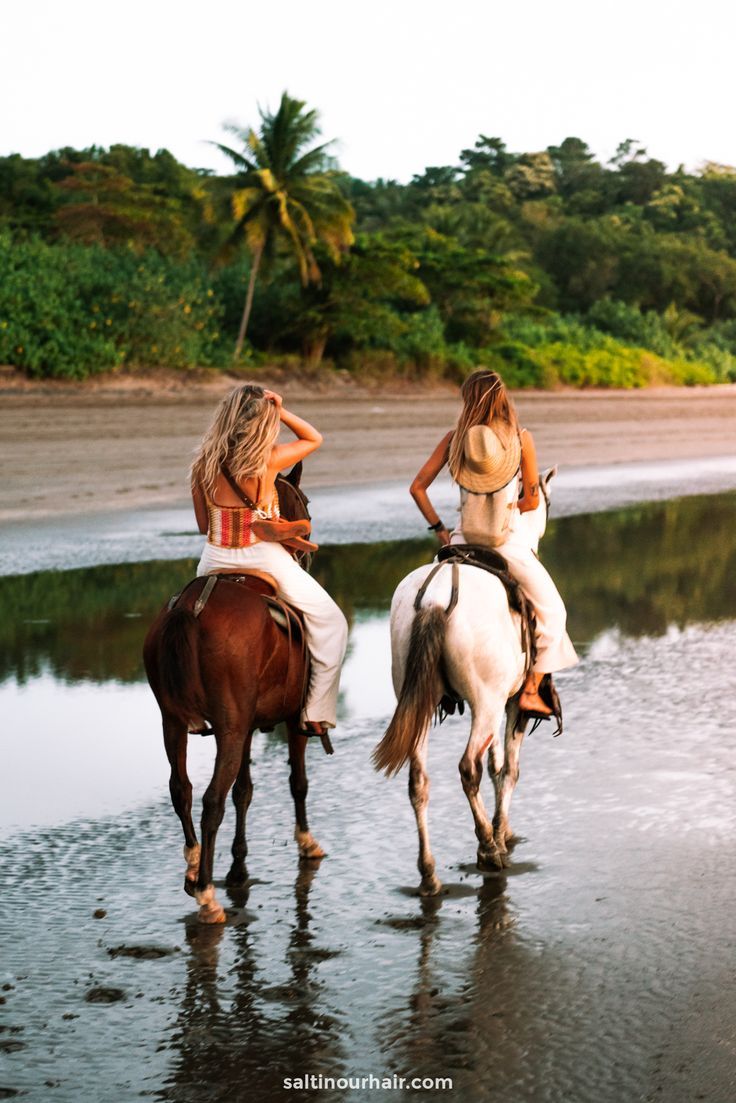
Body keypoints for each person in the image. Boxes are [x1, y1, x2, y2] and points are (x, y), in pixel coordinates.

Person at [409, 368, 578, 716]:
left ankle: (439, 683)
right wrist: (509, 504)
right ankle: (531, 690)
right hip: (507, 543)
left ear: (468, 399)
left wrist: (440, 528)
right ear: (502, 398)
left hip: (460, 542)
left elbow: (417, 488)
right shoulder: (520, 439)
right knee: (554, 613)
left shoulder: (455, 440)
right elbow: (532, 502)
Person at [190, 384, 348, 736]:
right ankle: (315, 712)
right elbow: (313, 438)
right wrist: (282, 408)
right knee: (332, 621)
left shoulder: (202, 465)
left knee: (185, 618)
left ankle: (191, 708)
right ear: (264, 420)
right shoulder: (268, 459)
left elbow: (204, 526)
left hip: (213, 558)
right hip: (261, 557)